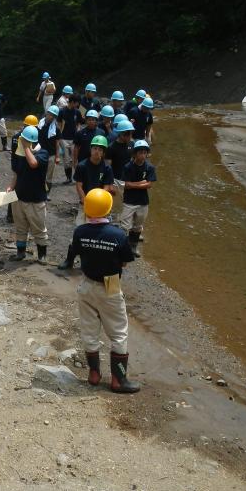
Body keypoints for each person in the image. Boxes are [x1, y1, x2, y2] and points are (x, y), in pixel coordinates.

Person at [71, 188, 140, 394]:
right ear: (108, 210)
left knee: (89, 329)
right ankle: (118, 380)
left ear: (88, 210)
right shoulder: (118, 235)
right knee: (118, 331)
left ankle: (94, 373)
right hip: (110, 283)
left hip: (87, 282)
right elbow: (126, 261)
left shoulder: (80, 232)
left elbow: (76, 253)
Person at [58, 135, 115, 269]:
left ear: (103, 152)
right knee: (79, 231)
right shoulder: (82, 166)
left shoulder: (107, 168)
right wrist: (85, 201)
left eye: (100, 150)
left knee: (99, 235)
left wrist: (100, 201)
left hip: (100, 207)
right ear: (90, 149)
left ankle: (94, 262)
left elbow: (107, 186)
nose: (97, 152)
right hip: (85, 204)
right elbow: (79, 185)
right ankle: (69, 260)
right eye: (95, 148)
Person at [7, 126, 49, 262]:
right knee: (20, 226)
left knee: (39, 228)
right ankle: (20, 252)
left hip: (36, 199)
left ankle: (42, 255)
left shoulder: (43, 153)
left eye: (24, 140)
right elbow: (17, 173)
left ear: (31, 141)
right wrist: (11, 187)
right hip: (19, 196)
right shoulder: (20, 154)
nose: (21, 142)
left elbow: (33, 163)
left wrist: (25, 148)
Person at [120, 140, 156, 257]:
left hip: (143, 202)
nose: (142, 155)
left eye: (144, 152)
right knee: (125, 225)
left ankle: (133, 246)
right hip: (129, 201)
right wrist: (141, 183)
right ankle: (122, 246)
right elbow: (126, 184)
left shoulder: (150, 167)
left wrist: (134, 184)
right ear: (135, 153)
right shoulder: (128, 167)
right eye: (140, 152)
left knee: (138, 226)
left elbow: (149, 184)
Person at [6, 115, 39, 224]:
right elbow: (16, 154)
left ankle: (13, 216)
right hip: (21, 165)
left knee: (17, 189)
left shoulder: (17, 136)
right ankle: (10, 215)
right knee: (15, 190)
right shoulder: (18, 137)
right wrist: (15, 168)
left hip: (20, 165)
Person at [37, 105, 62, 195]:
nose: (51, 116)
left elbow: (57, 143)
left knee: (49, 175)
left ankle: (46, 193)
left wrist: (57, 156)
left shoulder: (56, 129)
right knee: (39, 173)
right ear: (47, 113)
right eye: (50, 114)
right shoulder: (40, 125)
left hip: (51, 154)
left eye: (53, 115)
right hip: (39, 153)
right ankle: (38, 190)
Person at [105, 120, 135, 194]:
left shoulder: (132, 144)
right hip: (116, 180)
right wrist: (110, 184)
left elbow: (133, 161)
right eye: (128, 134)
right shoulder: (111, 147)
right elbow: (108, 167)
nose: (130, 136)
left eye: (131, 134)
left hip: (129, 179)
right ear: (121, 134)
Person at [59, 95, 84, 183]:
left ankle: (78, 178)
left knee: (75, 158)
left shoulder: (77, 112)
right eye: (77, 103)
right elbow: (59, 124)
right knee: (66, 160)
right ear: (72, 102)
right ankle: (68, 178)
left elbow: (81, 121)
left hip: (74, 139)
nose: (78, 105)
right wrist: (59, 137)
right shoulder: (62, 111)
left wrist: (78, 128)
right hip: (64, 138)